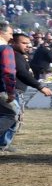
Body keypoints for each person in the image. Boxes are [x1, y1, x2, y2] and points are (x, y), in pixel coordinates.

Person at [9, 33, 52, 141]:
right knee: (11, 117)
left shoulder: (19, 55)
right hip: (14, 90)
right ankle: (3, 143)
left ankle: (5, 143)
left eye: (28, 43)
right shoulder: (15, 55)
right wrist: (40, 87)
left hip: (17, 90)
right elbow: (22, 74)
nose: (27, 46)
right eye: (23, 43)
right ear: (13, 43)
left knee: (13, 117)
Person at [0, 21, 18, 152]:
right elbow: (8, 72)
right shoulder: (6, 49)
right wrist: (11, 92)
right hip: (1, 89)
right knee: (12, 114)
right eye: (10, 33)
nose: (12, 37)